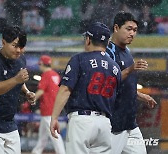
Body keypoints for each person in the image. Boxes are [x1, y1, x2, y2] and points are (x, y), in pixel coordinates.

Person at [50, 22, 122, 154]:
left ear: (88, 40)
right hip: (105, 123)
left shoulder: (79, 59)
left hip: (82, 121)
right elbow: (117, 98)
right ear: (107, 43)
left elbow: (65, 89)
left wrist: (54, 117)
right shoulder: (115, 67)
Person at [106, 11, 157, 154]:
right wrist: (130, 69)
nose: (132, 33)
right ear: (116, 28)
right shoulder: (108, 52)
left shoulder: (127, 51)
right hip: (114, 123)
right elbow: (108, 84)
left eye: (135, 30)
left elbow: (125, 86)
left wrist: (141, 95)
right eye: (128, 29)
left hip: (130, 122)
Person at [0, 25, 36, 154]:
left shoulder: (21, 60)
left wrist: (26, 92)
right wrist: (16, 80)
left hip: (10, 123)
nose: (19, 50)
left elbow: (19, 81)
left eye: (22, 46)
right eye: (15, 45)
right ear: (3, 42)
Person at [32, 55, 66, 154]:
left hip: (48, 109)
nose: (39, 66)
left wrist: (31, 98)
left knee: (54, 135)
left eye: (40, 64)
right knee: (42, 137)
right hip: (53, 108)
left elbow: (41, 91)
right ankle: (36, 152)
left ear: (43, 64)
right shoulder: (55, 74)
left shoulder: (46, 75)